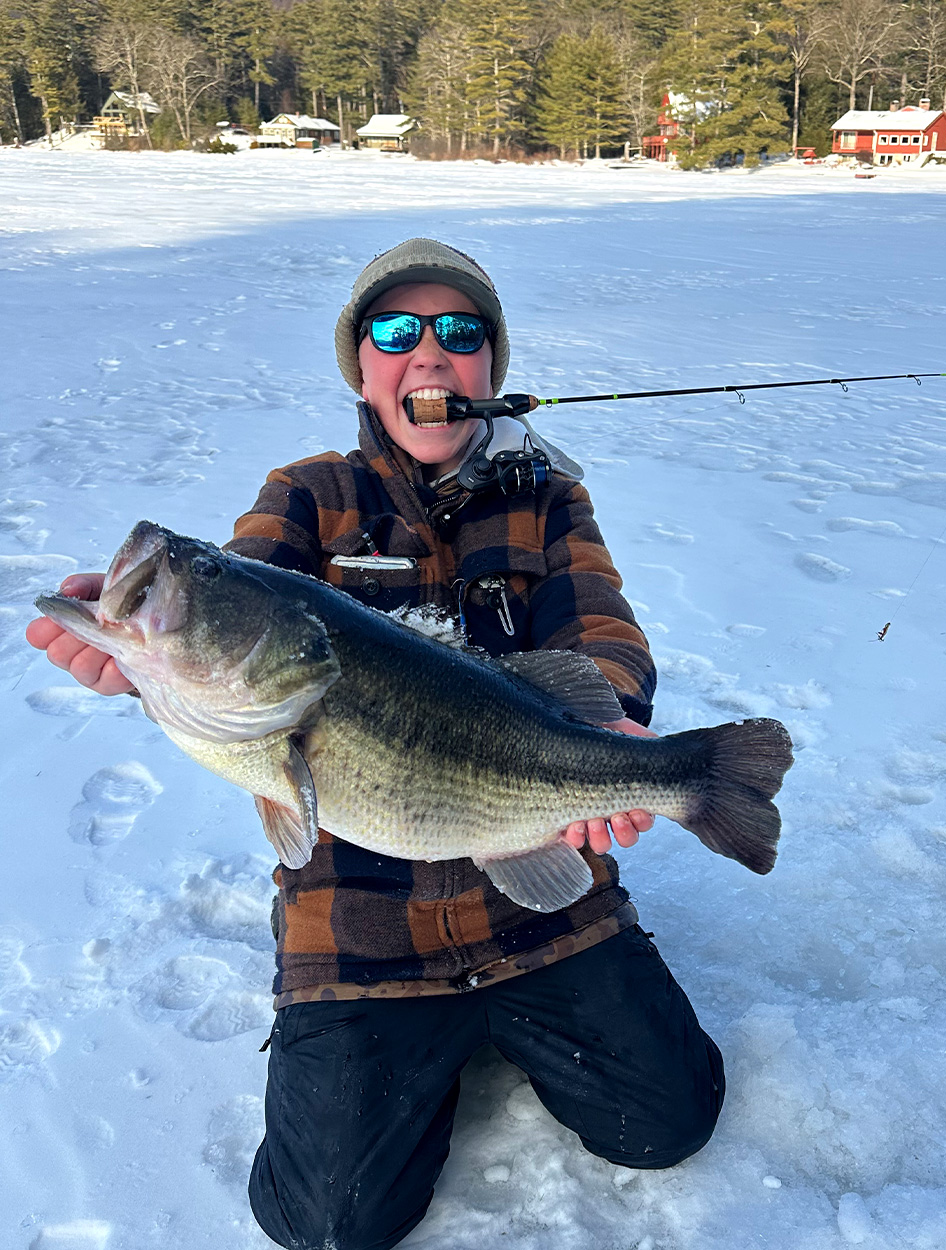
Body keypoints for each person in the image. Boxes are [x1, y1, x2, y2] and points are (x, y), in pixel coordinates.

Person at [27, 238, 725, 1250]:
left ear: (491, 365)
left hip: (529, 889)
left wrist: (613, 720)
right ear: (361, 364)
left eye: (460, 331)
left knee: (665, 1119)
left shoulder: (546, 499)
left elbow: (597, 629)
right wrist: (147, 661)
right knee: (330, 1222)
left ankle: (504, 1019)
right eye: (396, 331)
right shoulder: (305, 494)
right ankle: (421, 1043)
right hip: (357, 919)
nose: (428, 354)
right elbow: (239, 637)